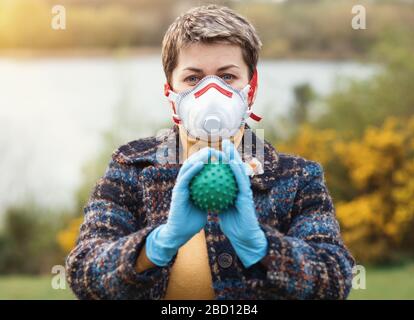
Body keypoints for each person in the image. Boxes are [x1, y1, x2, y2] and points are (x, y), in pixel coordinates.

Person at [65, 4, 355, 300]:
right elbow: (83, 272)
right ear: (171, 94)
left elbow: (334, 280)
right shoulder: (131, 168)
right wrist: (158, 244)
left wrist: (261, 246)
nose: (212, 92)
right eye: (193, 78)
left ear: (250, 89)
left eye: (227, 77)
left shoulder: (297, 179)